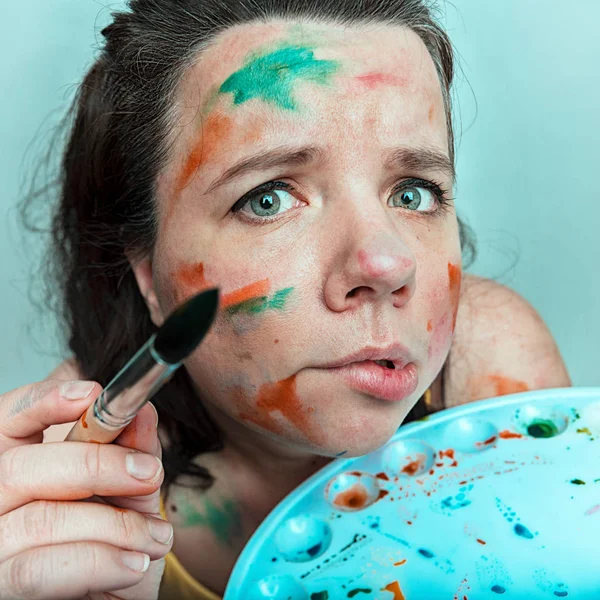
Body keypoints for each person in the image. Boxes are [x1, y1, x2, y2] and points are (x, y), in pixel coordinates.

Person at [0, 0, 571, 598]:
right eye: (268, 198)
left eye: (413, 192)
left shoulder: (492, 376)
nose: (385, 263)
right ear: (148, 273)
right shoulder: (81, 465)